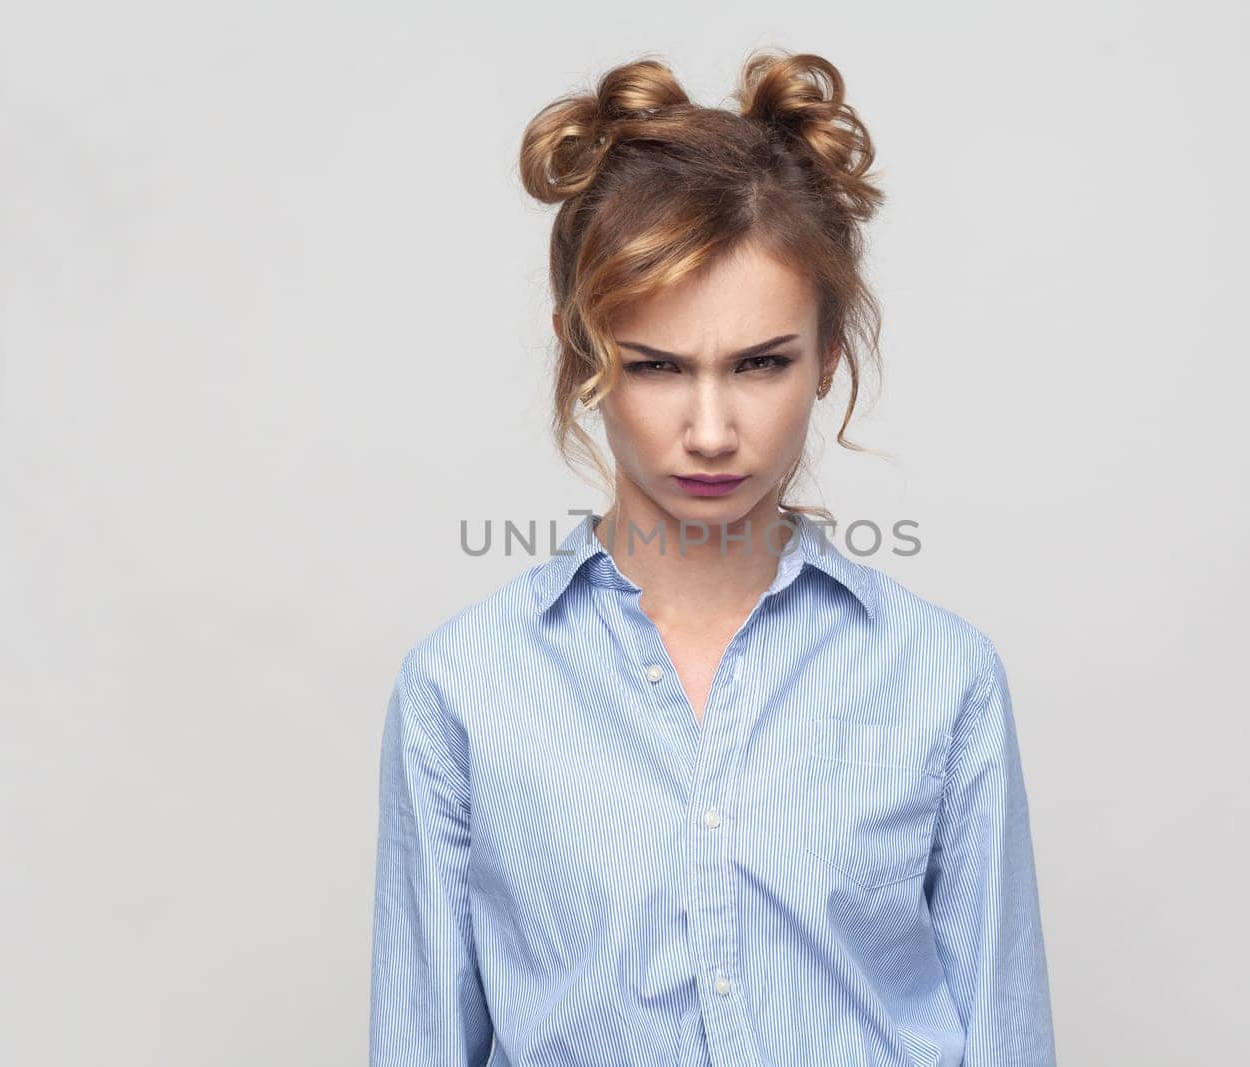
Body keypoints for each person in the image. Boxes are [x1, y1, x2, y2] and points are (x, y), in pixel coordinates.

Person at [369, 49, 1056, 1067]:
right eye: (654, 367)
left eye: (760, 363)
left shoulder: (941, 678)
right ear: (581, 358)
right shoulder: (459, 689)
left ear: (826, 354)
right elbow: (420, 1039)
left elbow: (1006, 1036)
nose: (709, 429)